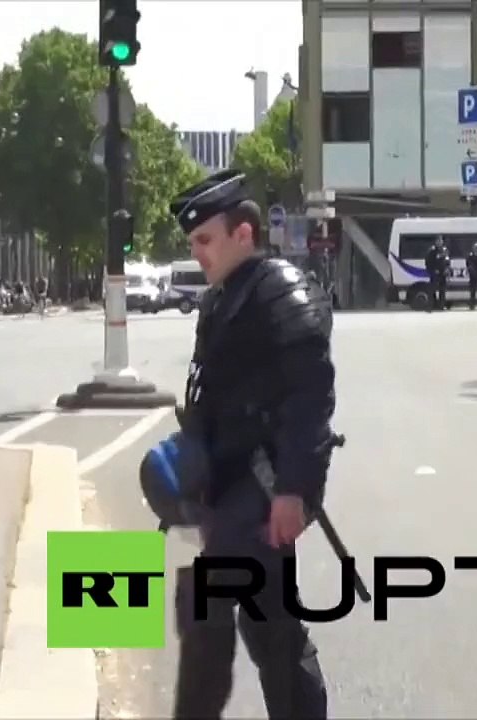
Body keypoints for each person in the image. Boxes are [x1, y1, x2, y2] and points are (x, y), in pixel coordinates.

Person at [166, 168, 333, 719]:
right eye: (193, 242)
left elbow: (310, 399)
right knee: (268, 629)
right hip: (228, 491)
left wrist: (294, 491)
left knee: (217, 613)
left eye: (205, 239)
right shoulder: (222, 299)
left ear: (243, 234)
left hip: (263, 493)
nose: (197, 253)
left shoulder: (279, 293)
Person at [426, 237, 450, 310]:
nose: (439, 242)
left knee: (442, 290)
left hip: (443, 273)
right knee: (432, 290)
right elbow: (428, 262)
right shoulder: (432, 250)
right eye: (438, 241)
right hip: (435, 273)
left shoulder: (445, 250)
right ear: (435, 242)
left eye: (440, 241)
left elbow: (447, 260)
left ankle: (441, 306)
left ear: (442, 242)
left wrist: (447, 268)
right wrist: (433, 270)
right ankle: (431, 306)